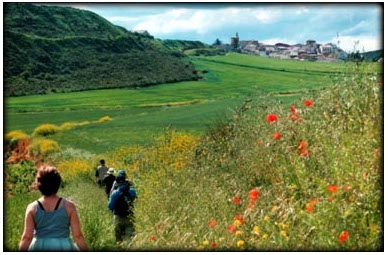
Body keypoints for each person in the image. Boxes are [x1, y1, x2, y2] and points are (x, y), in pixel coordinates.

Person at [19, 165, 88, 251]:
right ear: (58, 183)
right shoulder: (69, 206)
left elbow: (27, 237)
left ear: (39, 184)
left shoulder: (32, 208)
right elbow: (78, 236)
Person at [108, 171, 137, 243]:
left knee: (118, 239)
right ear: (125, 181)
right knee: (130, 239)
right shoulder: (132, 191)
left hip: (118, 217)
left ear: (117, 183)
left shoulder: (115, 193)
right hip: (129, 217)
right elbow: (136, 201)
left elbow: (110, 206)